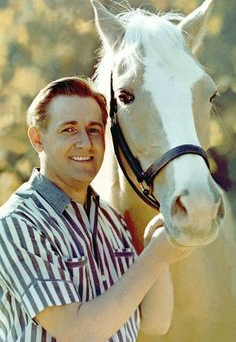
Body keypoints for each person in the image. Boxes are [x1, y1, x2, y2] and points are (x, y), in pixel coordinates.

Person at [0, 77, 191, 342]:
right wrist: (156, 256)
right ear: (37, 139)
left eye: (93, 129)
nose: (85, 143)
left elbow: (156, 321)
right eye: (68, 129)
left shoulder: (111, 220)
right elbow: (79, 332)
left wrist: (155, 245)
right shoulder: (18, 224)